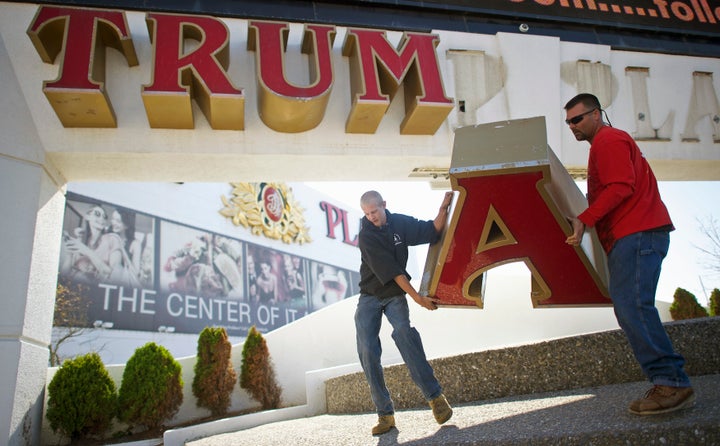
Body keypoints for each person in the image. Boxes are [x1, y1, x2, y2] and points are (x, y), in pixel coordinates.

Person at [563, 93, 695, 415]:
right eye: (568, 122)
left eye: (577, 119)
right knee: (630, 308)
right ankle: (667, 380)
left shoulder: (608, 140)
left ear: (596, 114)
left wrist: (585, 218)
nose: (572, 126)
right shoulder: (605, 145)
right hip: (635, 235)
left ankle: (672, 383)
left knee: (633, 307)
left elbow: (622, 186)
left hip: (637, 233)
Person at [356, 189, 454, 435]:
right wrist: (418, 298)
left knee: (404, 334)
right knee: (367, 350)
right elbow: (394, 272)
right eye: (366, 214)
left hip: (394, 296)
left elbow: (432, 230)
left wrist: (443, 209)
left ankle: (435, 398)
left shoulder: (399, 223)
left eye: (374, 212)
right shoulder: (366, 235)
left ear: (384, 206)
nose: (371, 218)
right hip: (370, 296)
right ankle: (385, 415)